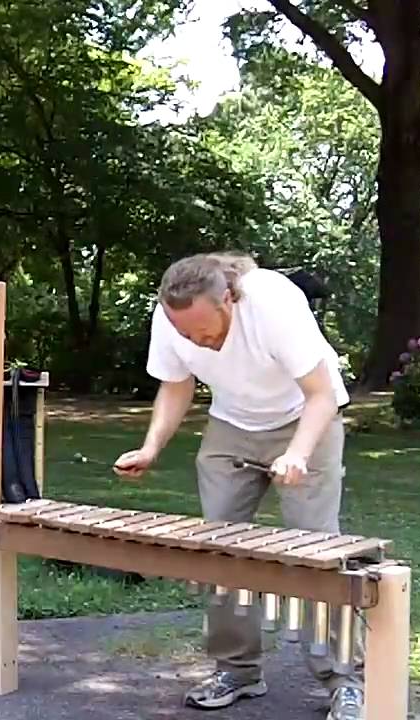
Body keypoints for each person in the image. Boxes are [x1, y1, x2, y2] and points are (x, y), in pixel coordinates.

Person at [112, 253, 363, 720]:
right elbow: (176, 385)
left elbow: (321, 394)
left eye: (205, 330)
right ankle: (238, 670)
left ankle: (347, 680)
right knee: (220, 549)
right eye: (188, 335)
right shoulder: (171, 318)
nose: (199, 342)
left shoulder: (272, 301)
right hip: (231, 425)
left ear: (229, 298)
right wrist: (150, 448)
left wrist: (298, 454)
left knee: (317, 553)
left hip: (304, 419)